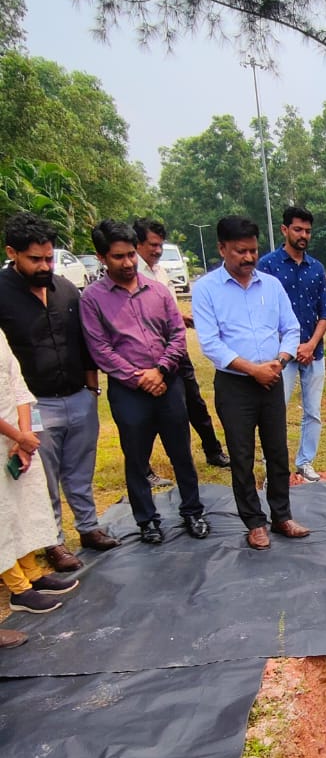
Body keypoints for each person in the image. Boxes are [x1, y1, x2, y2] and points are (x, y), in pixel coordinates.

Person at [0, 210, 118, 571]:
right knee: (43, 477)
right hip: (34, 405)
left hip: (79, 396)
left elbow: (83, 343)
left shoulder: (65, 289)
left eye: (49, 257)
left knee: (80, 470)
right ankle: (53, 541)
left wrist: (92, 391)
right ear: (12, 254)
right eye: (35, 259)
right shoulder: (2, 295)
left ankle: (88, 527)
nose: (44, 264)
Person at [80, 221, 210, 545]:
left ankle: (193, 511)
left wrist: (162, 370)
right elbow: (101, 349)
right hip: (129, 392)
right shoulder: (92, 300)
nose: (127, 263)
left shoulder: (159, 291)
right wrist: (140, 377)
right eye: (118, 257)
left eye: (130, 256)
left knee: (181, 452)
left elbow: (177, 334)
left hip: (168, 383)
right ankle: (147, 520)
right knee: (136, 458)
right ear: (101, 257)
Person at [191, 215, 309, 550]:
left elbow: (291, 328)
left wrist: (280, 361)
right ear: (222, 249)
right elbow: (211, 344)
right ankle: (254, 522)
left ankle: (282, 516)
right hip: (234, 385)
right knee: (241, 456)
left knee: (277, 451)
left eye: (253, 251)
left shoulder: (270, 286)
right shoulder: (206, 290)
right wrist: (251, 369)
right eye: (240, 251)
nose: (248, 258)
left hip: (272, 378)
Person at [133, 218, 230, 471]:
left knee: (195, 403)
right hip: (149, 356)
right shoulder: (133, 274)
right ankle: (144, 468)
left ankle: (213, 451)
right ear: (138, 244)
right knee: (151, 414)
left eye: (160, 245)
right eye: (152, 245)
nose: (157, 250)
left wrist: (181, 317)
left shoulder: (160, 271)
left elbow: (167, 308)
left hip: (176, 351)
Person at [1, 328, 81, 621]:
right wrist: (17, 436)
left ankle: (33, 574)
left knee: (22, 506)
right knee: (2, 513)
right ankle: (18, 588)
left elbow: (18, 384)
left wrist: (23, 434)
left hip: (17, 436)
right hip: (9, 436)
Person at [258, 206, 326, 483]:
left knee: (313, 412)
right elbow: (263, 312)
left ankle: (305, 463)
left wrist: (311, 344)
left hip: (314, 352)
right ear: (284, 230)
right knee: (275, 413)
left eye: (308, 231)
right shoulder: (267, 266)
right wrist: (288, 349)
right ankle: (272, 470)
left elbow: (325, 313)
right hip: (280, 356)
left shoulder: (317, 268)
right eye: (298, 229)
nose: (303, 235)